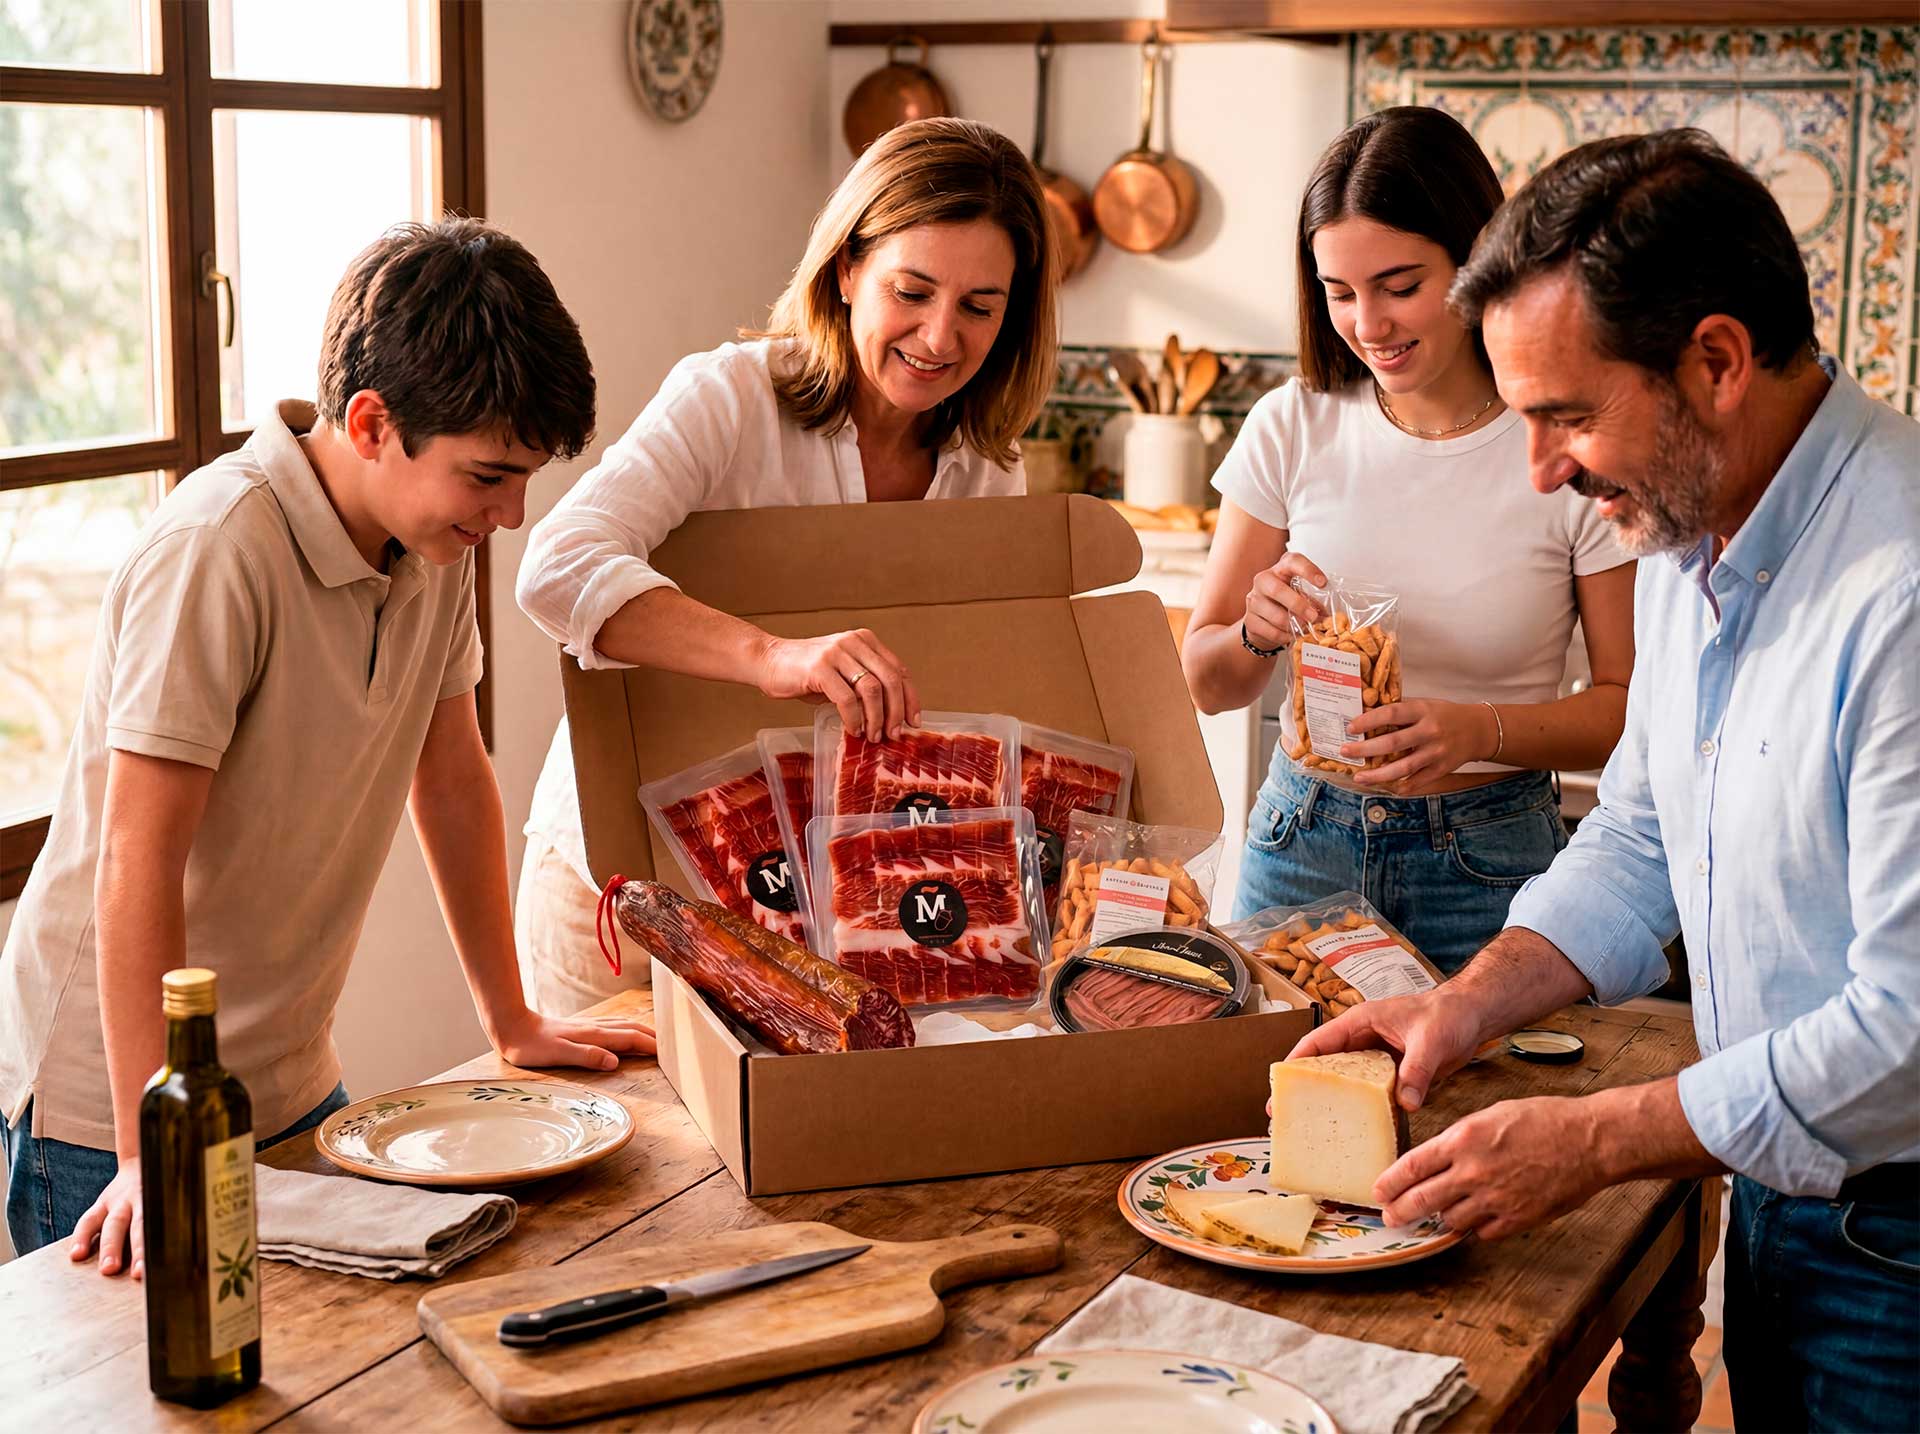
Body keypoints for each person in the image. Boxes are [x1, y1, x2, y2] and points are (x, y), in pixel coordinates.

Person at [1294, 129, 1919, 1431]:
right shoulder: (1692, 523)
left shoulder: (1901, 588)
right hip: (1787, 1199)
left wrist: (1594, 1137)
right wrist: (1467, 1005)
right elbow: (1639, 835)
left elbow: (1910, 1023)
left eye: (1566, 417)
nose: (1543, 472)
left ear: (1716, 360)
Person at [0, 219, 656, 1274]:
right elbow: (137, 859)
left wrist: (512, 1018)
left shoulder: (431, 549)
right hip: (110, 1106)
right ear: (370, 422)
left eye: (526, 479)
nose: (514, 514)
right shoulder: (218, 549)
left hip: (292, 1079)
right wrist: (147, 1146)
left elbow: (450, 781)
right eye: (489, 477)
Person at [514, 117, 1057, 1016]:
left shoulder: (989, 467)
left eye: (978, 306)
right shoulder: (729, 398)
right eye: (910, 291)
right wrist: (776, 659)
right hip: (624, 890)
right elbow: (558, 567)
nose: (938, 335)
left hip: (815, 915)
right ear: (846, 271)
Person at [1182, 107, 1636, 972]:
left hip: (1491, 859)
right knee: (1280, 1101)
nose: (1368, 324)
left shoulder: (1560, 442)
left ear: (1475, 259)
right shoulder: (1292, 424)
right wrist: (1253, 630)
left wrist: (1478, 730)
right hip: (1301, 843)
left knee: (1487, 1102)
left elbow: (1625, 711)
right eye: (1338, 291)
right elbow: (1209, 684)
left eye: (1399, 284)